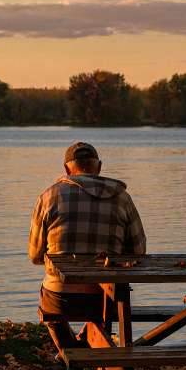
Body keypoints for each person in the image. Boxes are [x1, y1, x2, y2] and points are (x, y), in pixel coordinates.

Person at [28, 141, 146, 352]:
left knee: (52, 313)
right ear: (99, 167)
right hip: (106, 299)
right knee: (108, 299)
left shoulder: (48, 197)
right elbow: (138, 251)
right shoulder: (122, 198)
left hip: (60, 298)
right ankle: (82, 348)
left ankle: (71, 352)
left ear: (66, 169)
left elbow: (35, 256)